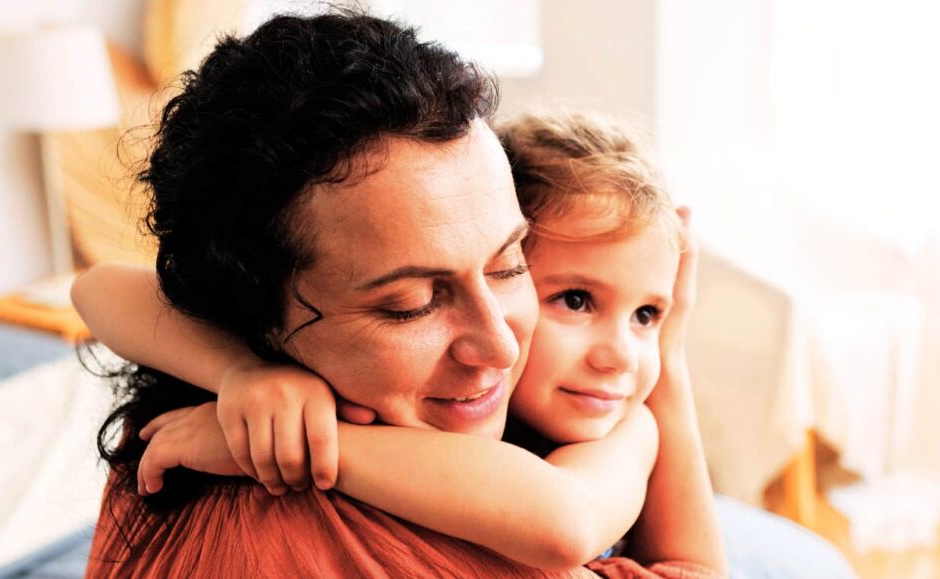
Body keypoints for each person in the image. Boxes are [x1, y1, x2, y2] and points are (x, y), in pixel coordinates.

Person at [78, 10, 724, 578]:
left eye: (507, 266)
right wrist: (249, 380)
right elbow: (97, 288)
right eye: (410, 304)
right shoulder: (289, 505)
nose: (500, 347)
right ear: (248, 313)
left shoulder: (212, 423)